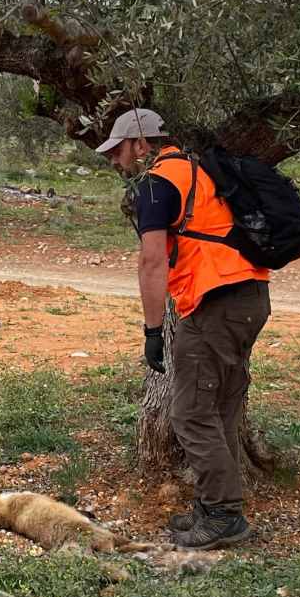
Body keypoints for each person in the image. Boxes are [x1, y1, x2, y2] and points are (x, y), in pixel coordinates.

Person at [96, 108, 271, 550]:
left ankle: (225, 515)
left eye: (118, 151)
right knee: (222, 409)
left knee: (191, 412)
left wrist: (153, 331)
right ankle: (216, 507)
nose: (117, 162)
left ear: (141, 144)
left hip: (214, 302)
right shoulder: (196, 169)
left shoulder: (157, 183)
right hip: (250, 296)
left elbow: (151, 260)